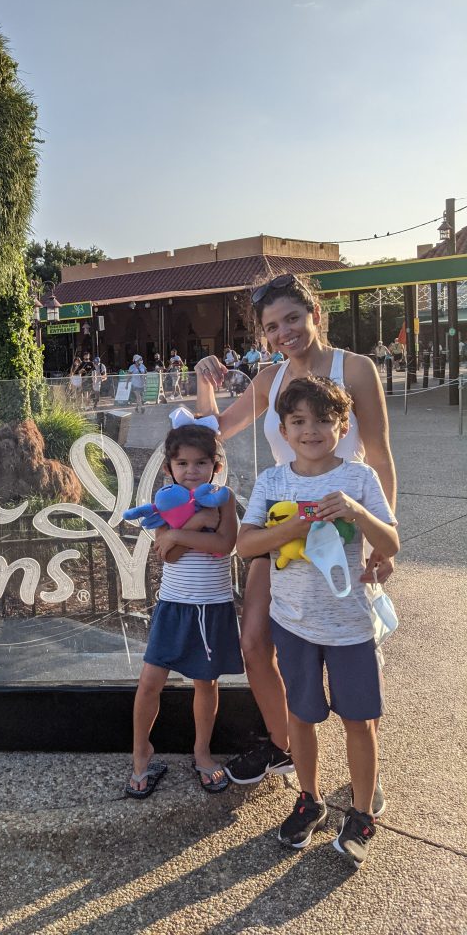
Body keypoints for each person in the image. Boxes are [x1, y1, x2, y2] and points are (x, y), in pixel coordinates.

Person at [193, 273, 396, 800]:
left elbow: (377, 454)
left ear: (314, 314)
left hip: (339, 527)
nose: (284, 332)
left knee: (353, 652)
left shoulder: (354, 368)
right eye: (271, 326)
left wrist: (382, 539)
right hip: (282, 526)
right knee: (255, 642)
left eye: (292, 319)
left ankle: (362, 778)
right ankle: (287, 746)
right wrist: (205, 379)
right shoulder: (269, 378)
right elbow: (216, 428)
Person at [237, 376, 399, 867]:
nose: (311, 431)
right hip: (294, 624)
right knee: (302, 716)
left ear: (342, 426)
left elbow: (389, 544)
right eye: (299, 422)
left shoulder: (358, 479)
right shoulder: (272, 482)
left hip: (350, 625)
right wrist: (291, 526)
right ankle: (309, 798)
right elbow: (246, 546)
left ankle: (363, 811)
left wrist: (354, 511)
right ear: (283, 431)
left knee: (359, 721)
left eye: (323, 421)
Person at [126, 420, 243, 798]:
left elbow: (225, 544)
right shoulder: (167, 501)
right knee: (149, 683)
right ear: (168, 468)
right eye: (182, 464)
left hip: (212, 607)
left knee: (205, 683)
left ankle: (202, 752)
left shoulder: (224, 499)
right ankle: (141, 754)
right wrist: (190, 526)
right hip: (174, 606)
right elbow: (168, 554)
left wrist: (181, 534)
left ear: (215, 466)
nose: (191, 471)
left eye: (200, 463)